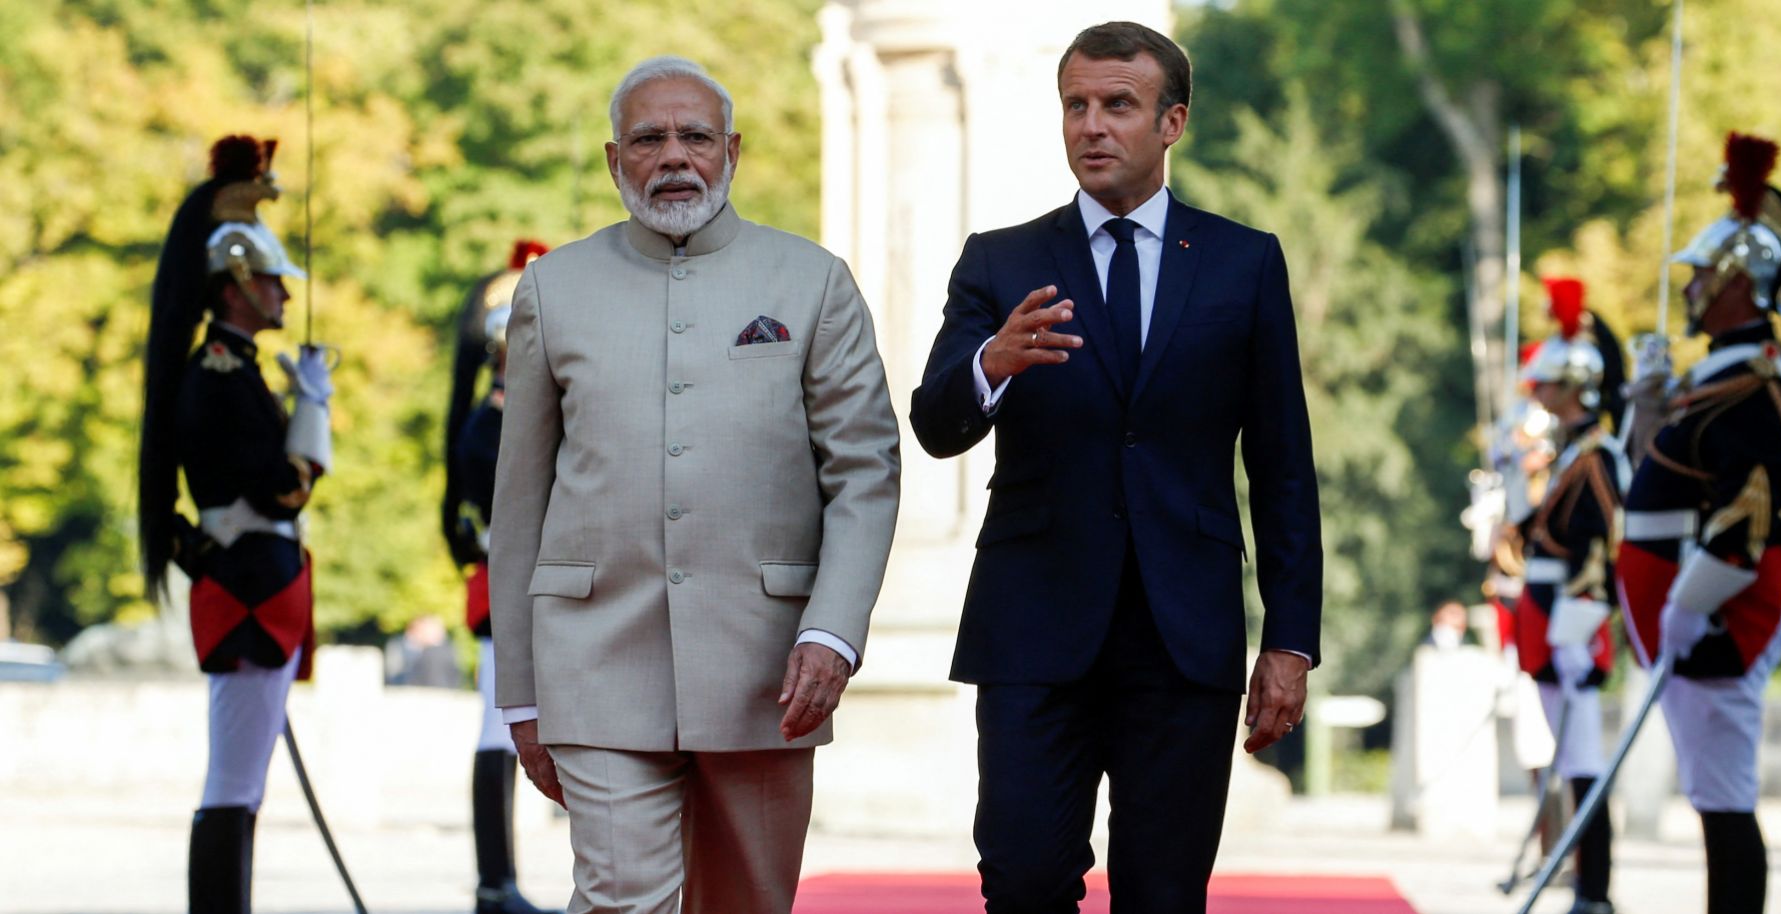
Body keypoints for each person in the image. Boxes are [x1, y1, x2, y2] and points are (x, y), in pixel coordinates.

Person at [909, 22, 1321, 913]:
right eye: (1076, 106)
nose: (1091, 126)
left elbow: (1283, 463)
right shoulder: (1002, 259)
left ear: (1172, 123)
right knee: (1020, 880)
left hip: (1184, 634)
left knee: (1164, 895)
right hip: (1033, 629)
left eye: (1118, 106)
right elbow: (935, 424)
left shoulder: (1243, 263)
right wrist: (992, 364)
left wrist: (1289, 640)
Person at [488, 56, 900, 914]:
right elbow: (519, 501)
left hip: (769, 669)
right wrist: (520, 691)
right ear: (614, 161)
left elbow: (865, 469)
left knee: (747, 903)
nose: (673, 156)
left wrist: (834, 632)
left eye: (694, 137)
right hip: (595, 662)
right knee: (620, 898)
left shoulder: (812, 281)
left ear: (733, 151)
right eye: (648, 139)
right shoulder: (551, 288)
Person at [1617, 133, 1781, 914]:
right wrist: (1647, 406)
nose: (1692, 286)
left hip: (1717, 608)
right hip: (1692, 608)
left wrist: (1687, 606)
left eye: (1704, 273)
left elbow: (1748, 513)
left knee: (1723, 798)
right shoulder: (1718, 375)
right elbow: (1664, 476)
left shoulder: (1754, 382)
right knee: (1713, 793)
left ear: (1740, 282)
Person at [137, 135, 335, 912]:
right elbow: (287, 488)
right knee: (233, 785)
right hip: (251, 585)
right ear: (239, 286)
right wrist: (314, 408)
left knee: (240, 785)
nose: (286, 295)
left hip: (251, 581)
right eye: (275, 283)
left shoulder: (236, 371)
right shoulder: (222, 378)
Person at [442, 239, 559, 914]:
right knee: (498, 728)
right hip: (505, 584)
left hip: (536, 585)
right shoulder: (490, 427)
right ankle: (494, 880)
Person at [1512, 277, 1630, 914]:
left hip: (1574, 622)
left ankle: (1595, 890)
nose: (1541, 393)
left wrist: (1585, 623)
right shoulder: (1565, 453)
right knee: (1571, 759)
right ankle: (1584, 884)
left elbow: (1612, 544)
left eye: (1551, 384)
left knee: (1585, 763)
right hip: (1548, 617)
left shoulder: (1599, 454)